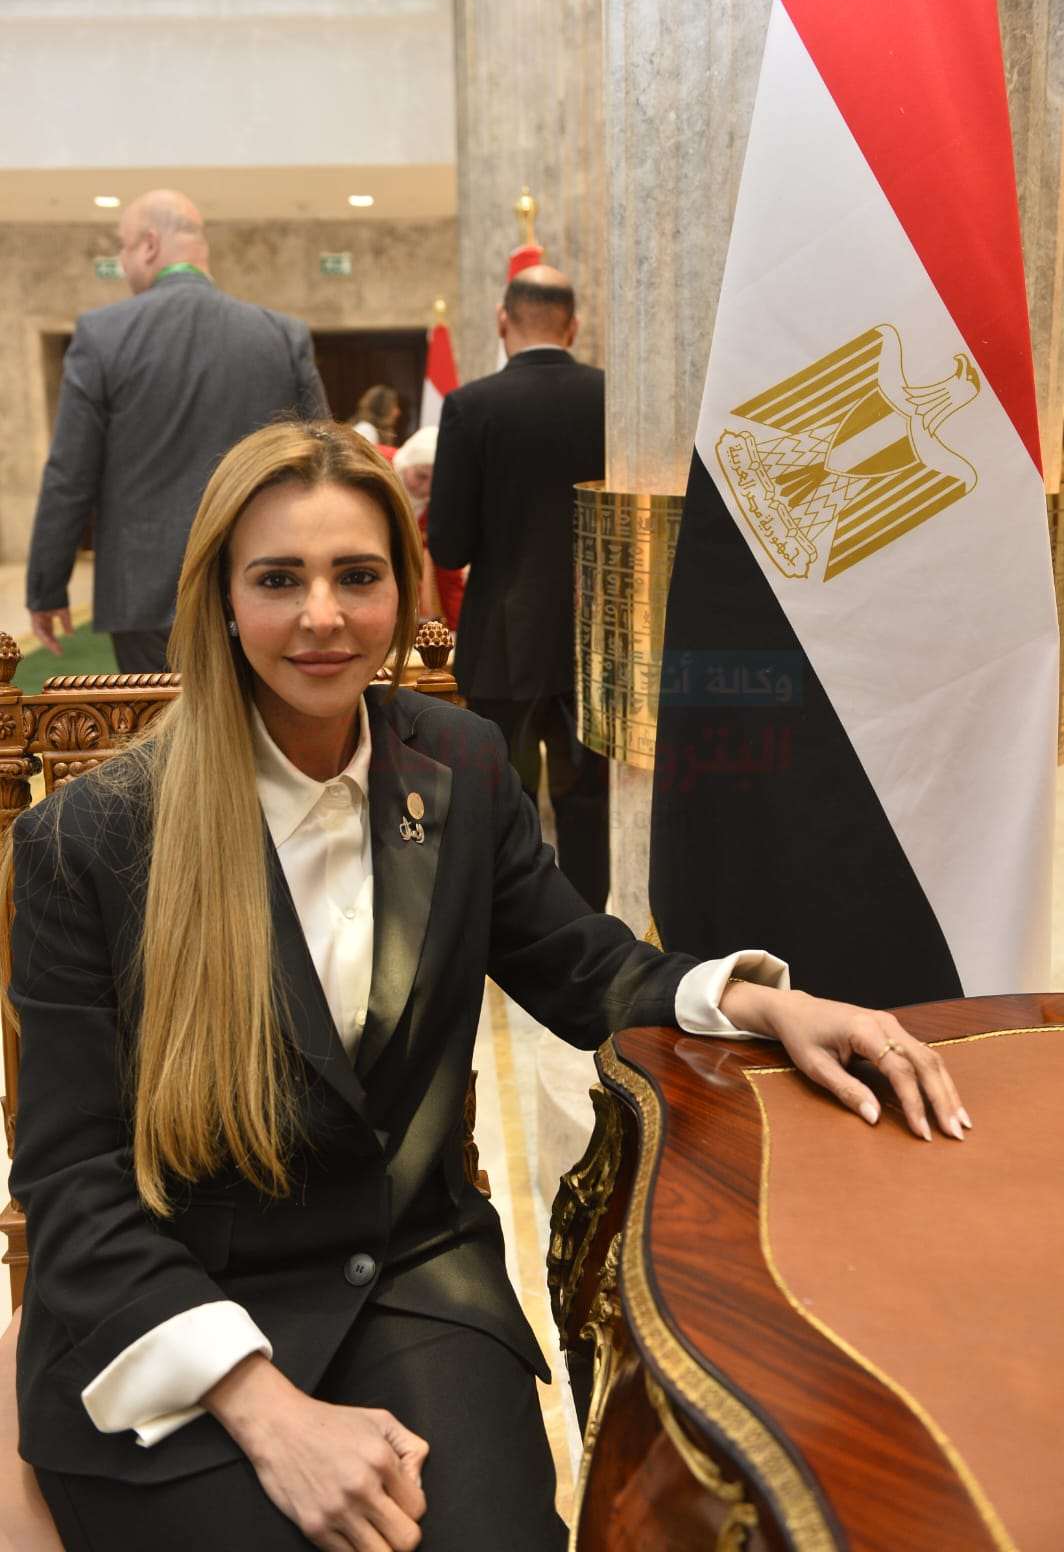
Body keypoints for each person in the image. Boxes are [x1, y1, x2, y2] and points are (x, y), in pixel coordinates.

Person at [3, 420, 971, 1552]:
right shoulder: (91, 838)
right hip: (178, 1315)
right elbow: (71, 1177)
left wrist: (763, 1002)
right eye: (278, 579)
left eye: (356, 576)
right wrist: (268, 1412)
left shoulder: (458, 764)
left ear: (405, 592)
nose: (322, 616)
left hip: (408, 1279)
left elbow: (583, 967)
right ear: (220, 597)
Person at [25, 189, 328, 674]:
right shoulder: (280, 334)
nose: (122, 263)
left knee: (159, 720)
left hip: (143, 591)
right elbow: (324, 461)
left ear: (148, 245)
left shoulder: (102, 335)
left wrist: (46, 586)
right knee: (260, 717)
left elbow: (70, 474)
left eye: (122, 248)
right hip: (262, 578)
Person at [428, 266, 611, 910]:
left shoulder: (471, 406)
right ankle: (591, 933)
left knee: (506, 800)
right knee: (588, 804)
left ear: (503, 321)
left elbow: (448, 546)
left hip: (503, 641)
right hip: (594, 641)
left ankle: (517, 926)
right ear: (574, 326)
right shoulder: (610, 398)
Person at [392, 425, 464, 631]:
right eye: (421, 476)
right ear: (406, 463)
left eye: (436, 482)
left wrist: (456, 630)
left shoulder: (440, 507)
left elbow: (448, 571)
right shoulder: (376, 477)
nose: (426, 489)